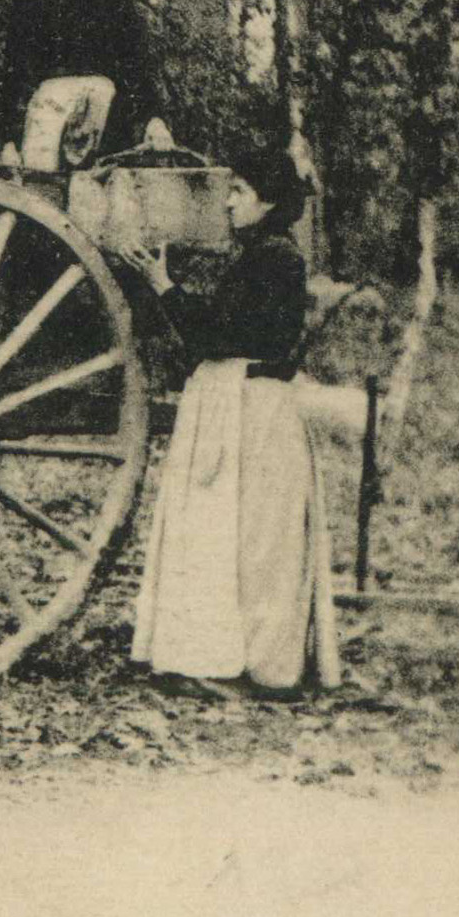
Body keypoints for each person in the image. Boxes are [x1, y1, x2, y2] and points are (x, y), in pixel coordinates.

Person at [118, 143, 340, 699]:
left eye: (239, 192)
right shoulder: (259, 254)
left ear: (267, 201)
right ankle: (213, 651)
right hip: (233, 397)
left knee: (254, 535)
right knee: (223, 528)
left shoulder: (277, 259)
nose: (227, 204)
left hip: (254, 406)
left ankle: (261, 666)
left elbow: (219, 336)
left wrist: (164, 287)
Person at [0, 0, 170, 168]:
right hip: (45, 137)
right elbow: (14, 85)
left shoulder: (118, 10)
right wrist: (8, 143)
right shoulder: (29, 13)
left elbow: (140, 76)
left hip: (105, 141)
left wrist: (155, 121)